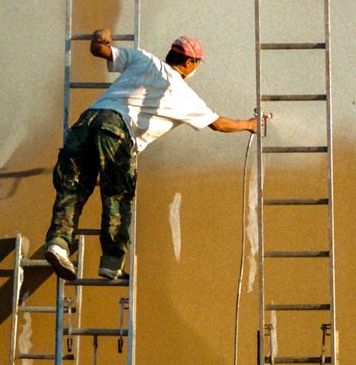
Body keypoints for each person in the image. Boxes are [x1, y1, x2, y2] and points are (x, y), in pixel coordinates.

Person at [44, 28, 259, 281]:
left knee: (72, 188)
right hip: (117, 130)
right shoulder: (180, 92)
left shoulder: (143, 58)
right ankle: (111, 262)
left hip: (86, 122)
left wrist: (101, 36)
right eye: (197, 63)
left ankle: (58, 243)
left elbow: (98, 49)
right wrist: (249, 124)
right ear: (188, 62)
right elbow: (218, 123)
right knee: (117, 194)